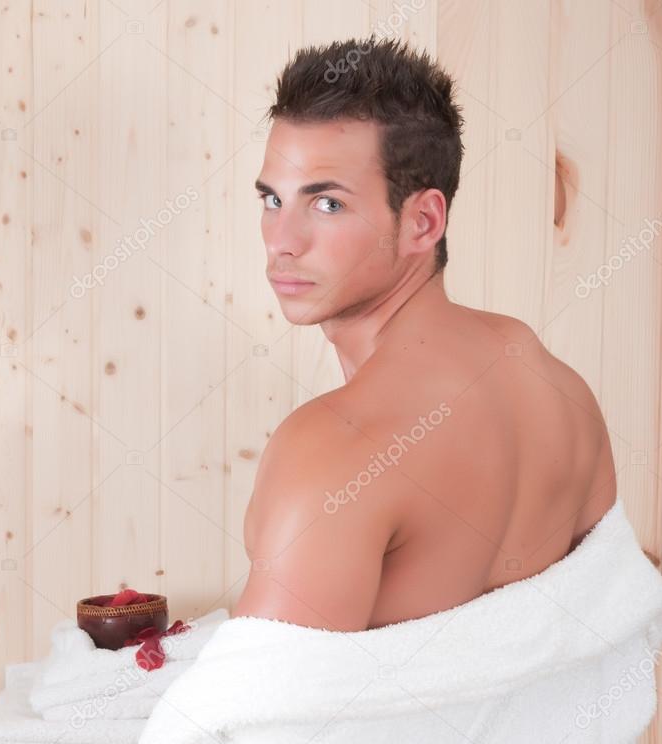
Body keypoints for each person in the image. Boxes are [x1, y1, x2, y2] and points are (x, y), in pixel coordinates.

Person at [232, 34, 617, 633]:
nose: (282, 239)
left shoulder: (331, 447)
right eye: (272, 199)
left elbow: (253, 716)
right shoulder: (564, 393)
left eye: (327, 204)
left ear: (423, 221)